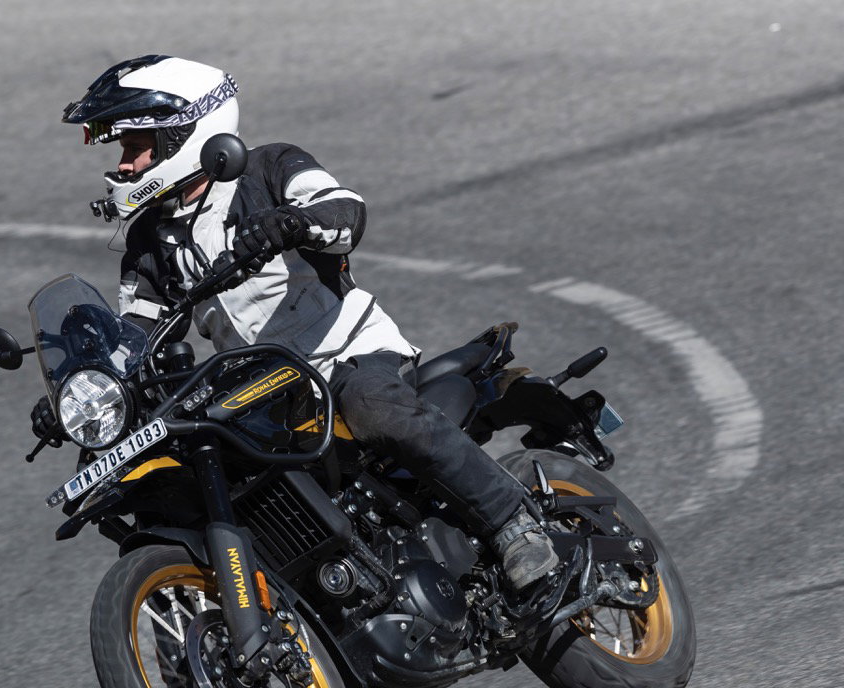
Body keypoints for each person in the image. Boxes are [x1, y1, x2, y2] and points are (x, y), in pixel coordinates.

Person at [54, 54, 557, 591]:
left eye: (135, 148)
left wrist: (293, 222)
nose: (124, 166)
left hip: (345, 353)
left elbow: (345, 211)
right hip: (262, 390)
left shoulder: (269, 168)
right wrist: (82, 389)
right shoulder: (149, 240)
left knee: (372, 404)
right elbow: (136, 334)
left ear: (182, 134)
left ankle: (513, 523)